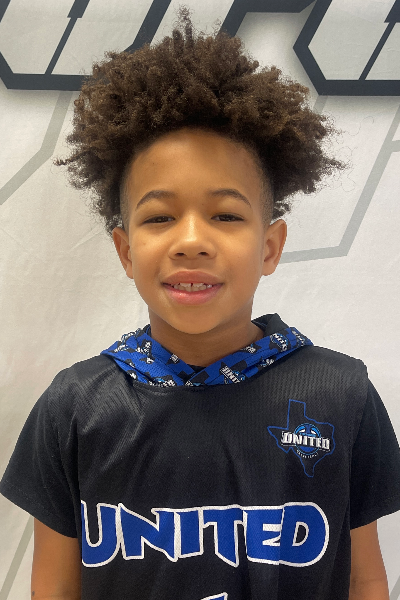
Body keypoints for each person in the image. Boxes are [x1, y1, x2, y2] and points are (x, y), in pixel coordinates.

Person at [1, 7, 400, 600]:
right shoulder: (74, 408)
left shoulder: (341, 395)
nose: (191, 240)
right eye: (159, 217)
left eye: (227, 215)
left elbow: (364, 578)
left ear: (270, 246)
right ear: (125, 250)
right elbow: (55, 586)